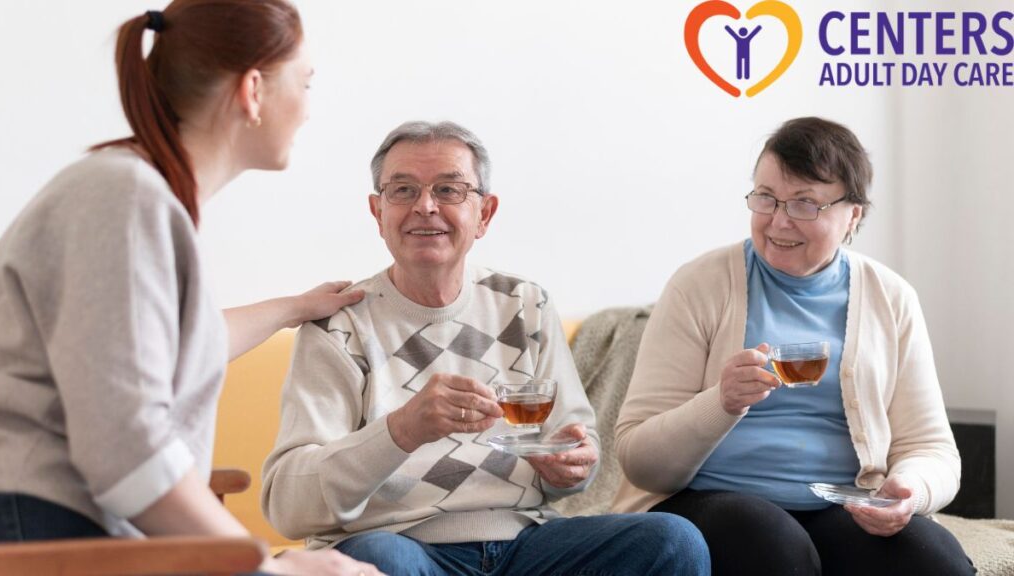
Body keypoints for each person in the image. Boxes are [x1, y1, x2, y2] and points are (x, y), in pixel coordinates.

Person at [0, 2, 382, 574]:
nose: (306, 110)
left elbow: (165, 350)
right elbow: (127, 451)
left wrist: (293, 308)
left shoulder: (141, 198)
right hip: (40, 531)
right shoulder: (124, 198)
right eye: (305, 83)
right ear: (253, 90)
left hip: (76, 529)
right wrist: (265, 567)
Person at [261, 121, 710, 575]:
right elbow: (288, 506)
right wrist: (401, 430)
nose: (425, 206)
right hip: (402, 546)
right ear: (378, 212)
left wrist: (572, 468)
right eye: (403, 190)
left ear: (485, 214)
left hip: (523, 545)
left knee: (673, 541)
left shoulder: (525, 305)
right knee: (381, 560)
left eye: (449, 190)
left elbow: (576, 445)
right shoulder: (339, 325)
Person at [612, 116, 974, 575]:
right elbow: (639, 461)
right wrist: (720, 403)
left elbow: (932, 447)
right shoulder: (698, 285)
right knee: (773, 545)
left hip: (839, 504)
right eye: (766, 198)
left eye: (805, 204)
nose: (779, 221)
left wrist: (911, 488)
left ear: (853, 215)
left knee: (935, 561)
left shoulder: (892, 298)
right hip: (708, 500)